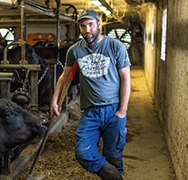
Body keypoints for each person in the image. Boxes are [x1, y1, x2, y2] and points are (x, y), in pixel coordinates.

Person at [50, 9, 131, 180]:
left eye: (91, 25)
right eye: (83, 26)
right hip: (90, 112)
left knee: (114, 155)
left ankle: (114, 173)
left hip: (113, 109)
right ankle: (114, 176)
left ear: (98, 24)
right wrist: (54, 100)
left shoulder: (115, 46)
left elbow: (126, 79)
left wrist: (122, 111)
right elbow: (65, 76)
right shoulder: (74, 51)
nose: (87, 30)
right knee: (83, 152)